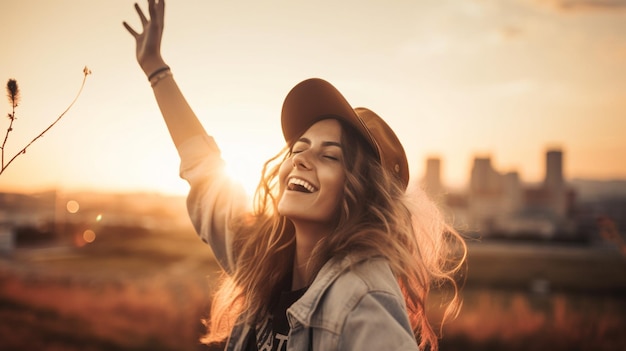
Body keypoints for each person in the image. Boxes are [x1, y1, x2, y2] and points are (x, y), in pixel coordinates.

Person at [124, 1, 467, 350]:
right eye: (299, 148)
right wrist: (156, 68)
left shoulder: (362, 298)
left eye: (329, 155)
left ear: (362, 194)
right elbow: (207, 175)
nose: (302, 159)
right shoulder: (266, 260)